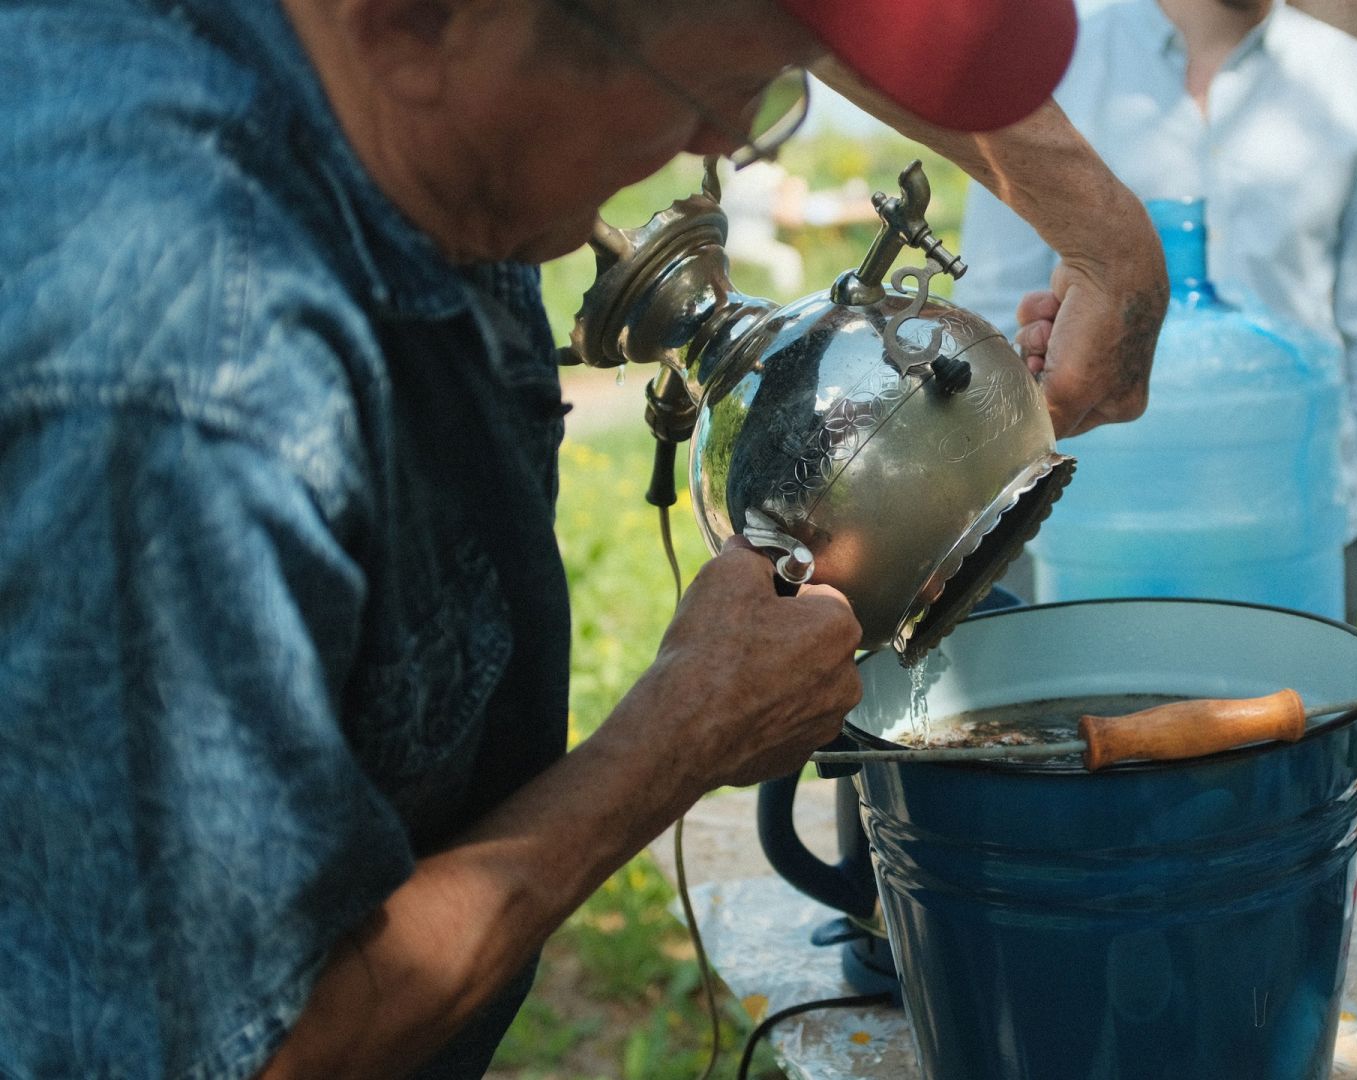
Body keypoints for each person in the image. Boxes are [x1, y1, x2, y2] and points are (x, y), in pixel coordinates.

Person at [0, 0, 1170, 1076]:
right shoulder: (185, 389)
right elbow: (242, 1048)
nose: (695, 163)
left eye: (765, 100)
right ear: (415, 27)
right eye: (697, 101)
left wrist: (1105, 232)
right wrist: (676, 737)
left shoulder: (439, 123)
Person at [955, 0, 1357, 625]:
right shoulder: (1051, 73)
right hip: (1099, 543)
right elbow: (992, 312)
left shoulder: (1354, 81)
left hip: (1293, 533)